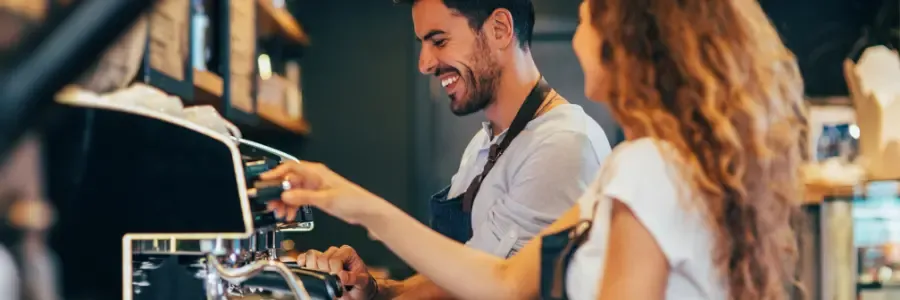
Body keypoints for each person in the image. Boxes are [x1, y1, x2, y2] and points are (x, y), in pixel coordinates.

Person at [266, 0, 809, 299]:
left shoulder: (646, 168)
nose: (577, 31)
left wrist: (352, 203)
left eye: (590, 13)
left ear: (630, 40)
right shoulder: (639, 166)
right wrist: (352, 209)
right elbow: (500, 281)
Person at [275, 0, 611, 298]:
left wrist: (357, 205)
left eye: (439, 41)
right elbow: (461, 278)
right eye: (422, 44)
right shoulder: (484, 144)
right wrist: (377, 290)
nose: (424, 63)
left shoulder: (563, 142)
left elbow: (501, 288)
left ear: (499, 29)